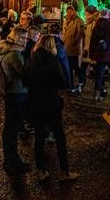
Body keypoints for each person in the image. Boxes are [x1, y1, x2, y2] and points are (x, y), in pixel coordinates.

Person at [24, 34, 79, 182]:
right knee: (59, 136)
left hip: (35, 101)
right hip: (50, 102)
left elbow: (25, 80)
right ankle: (64, 171)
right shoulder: (53, 61)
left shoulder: (31, 60)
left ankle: (41, 171)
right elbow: (62, 82)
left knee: (39, 136)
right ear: (51, 46)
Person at [0, 26, 30, 171]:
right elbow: (24, 74)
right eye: (24, 38)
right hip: (16, 92)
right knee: (12, 128)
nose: (26, 41)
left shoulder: (5, 51)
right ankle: (12, 160)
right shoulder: (15, 55)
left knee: (10, 127)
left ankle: (11, 159)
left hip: (11, 93)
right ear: (18, 38)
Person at [89, 9, 110, 101]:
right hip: (108, 53)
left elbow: (92, 41)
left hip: (98, 53)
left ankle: (97, 94)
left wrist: (91, 54)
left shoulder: (96, 25)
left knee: (99, 74)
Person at [62, 5, 85, 91]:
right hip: (67, 47)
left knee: (74, 66)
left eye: (70, 11)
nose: (68, 13)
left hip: (73, 48)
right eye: (67, 11)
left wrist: (74, 42)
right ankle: (71, 83)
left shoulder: (78, 20)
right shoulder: (66, 20)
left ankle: (79, 81)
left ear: (73, 11)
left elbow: (80, 33)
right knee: (70, 67)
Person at [79, 5, 99, 93]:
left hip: (90, 50)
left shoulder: (93, 23)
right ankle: (97, 88)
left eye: (86, 13)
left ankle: (98, 88)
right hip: (89, 49)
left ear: (90, 13)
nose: (85, 15)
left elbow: (92, 38)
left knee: (86, 68)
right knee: (90, 68)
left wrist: (86, 49)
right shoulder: (89, 22)